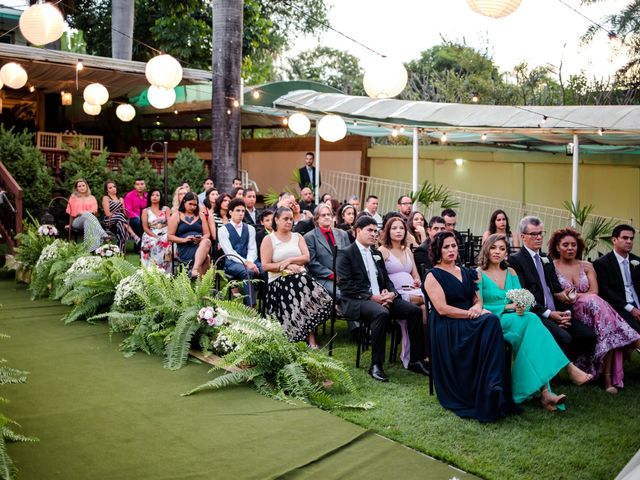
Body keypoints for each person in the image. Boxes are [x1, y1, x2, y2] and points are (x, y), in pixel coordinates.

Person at [478, 234, 592, 410]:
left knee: (531, 328)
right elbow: (480, 305)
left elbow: (521, 298)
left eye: (502, 249)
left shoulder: (511, 272)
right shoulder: (479, 274)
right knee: (533, 322)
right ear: (486, 249)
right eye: (494, 248)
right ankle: (568, 369)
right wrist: (507, 307)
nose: (497, 252)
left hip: (519, 318)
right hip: (496, 321)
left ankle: (547, 394)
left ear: (506, 253)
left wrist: (522, 307)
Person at [424, 231, 519, 422]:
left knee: (490, 320)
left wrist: (476, 307)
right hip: (449, 325)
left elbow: (477, 299)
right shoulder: (432, 275)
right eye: (446, 247)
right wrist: (470, 313)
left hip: (470, 319)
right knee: (490, 321)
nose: (451, 250)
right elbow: (442, 309)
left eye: (453, 246)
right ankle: (491, 385)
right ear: (437, 251)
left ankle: (492, 385)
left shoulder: (465, 271)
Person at [337, 216, 429, 382]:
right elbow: (346, 285)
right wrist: (373, 296)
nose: (374, 234)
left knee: (415, 312)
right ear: (358, 231)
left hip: (382, 297)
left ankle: (416, 360)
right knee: (381, 314)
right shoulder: (346, 253)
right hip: (358, 300)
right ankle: (376, 365)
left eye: (375, 231)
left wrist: (392, 293)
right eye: (369, 231)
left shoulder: (376, 253)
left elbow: (387, 280)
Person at [549, 228, 640, 393]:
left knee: (601, 317)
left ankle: (607, 377)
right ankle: (626, 340)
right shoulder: (551, 267)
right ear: (557, 247)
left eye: (574, 245)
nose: (570, 248)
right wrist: (562, 296)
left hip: (593, 311)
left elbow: (594, 291)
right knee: (605, 320)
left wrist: (576, 296)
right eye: (565, 245)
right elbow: (551, 293)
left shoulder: (587, 266)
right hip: (570, 312)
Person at [508, 216, 597, 361]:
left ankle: (559, 366)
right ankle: (556, 370)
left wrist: (565, 309)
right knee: (565, 338)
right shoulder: (516, 260)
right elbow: (523, 295)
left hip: (557, 311)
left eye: (541, 233)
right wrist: (550, 314)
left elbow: (556, 289)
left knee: (588, 336)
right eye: (534, 234)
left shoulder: (545, 258)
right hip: (537, 313)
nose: (538, 237)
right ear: (523, 237)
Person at [260, 207, 332, 347]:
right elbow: (265, 266)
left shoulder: (297, 237)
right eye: (285, 219)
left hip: (300, 278)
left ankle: (305, 333)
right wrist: (284, 267)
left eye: (291, 219)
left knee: (301, 283)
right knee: (298, 287)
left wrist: (289, 261)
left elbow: (306, 257)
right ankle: (308, 337)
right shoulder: (269, 239)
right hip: (278, 281)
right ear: (276, 219)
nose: (289, 222)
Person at [378, 216, 426, 368]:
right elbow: (381, 277)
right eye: (394, 228)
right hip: (396, 293)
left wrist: (417, 280)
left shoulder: (407, 251)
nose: (398, 231)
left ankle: (422, 354)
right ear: (388, 231)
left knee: (425, 310)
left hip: (413, 289)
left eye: (401, 228)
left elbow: (415, 274)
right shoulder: (383, 251)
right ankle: (418, 355)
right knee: (427, 302)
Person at [304, 205, 354, 329]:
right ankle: (357, 329)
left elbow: (350, 257)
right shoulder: (310, 237)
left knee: (359, 292)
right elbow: (312, 263)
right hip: (322, 277)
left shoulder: (342, 234)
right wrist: (332, 275)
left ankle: (362, 325)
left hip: (343, 276)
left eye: (329, 215)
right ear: (316, 219)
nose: (327, 217)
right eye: (323, 215)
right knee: (342, 294)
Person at [593, 224, 640, 335]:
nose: (629, 241)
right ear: (614, 240)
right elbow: (605, 291)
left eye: (631, 238)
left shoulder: (637, 261)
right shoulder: (602, 263)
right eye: (625, 238)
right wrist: (631, 309)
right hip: (620, 308)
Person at [218, 198, 262, 306]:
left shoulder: (250, 228)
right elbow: (230, 252)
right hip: (232, 263)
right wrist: (247, 264)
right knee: (248, 272)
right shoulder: (223, 230)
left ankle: (267, 302)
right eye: (238, 210)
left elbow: (252, 249)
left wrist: (250, 262)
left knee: (265, 269)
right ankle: (250, 306)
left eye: (243, 211)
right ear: (230, 212)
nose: (241, 213)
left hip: (250, 260)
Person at [167, 192, 211, 278]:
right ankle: (200, 286)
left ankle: (194, 270)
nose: (193, 207)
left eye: (195, 205)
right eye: (190, 204)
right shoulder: (176, 215)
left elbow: (207, 234)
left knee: (206, 241)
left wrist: (200, 239)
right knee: (206, 258)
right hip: (185, 248)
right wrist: (184, 239)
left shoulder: (200, 215)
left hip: (199, 245)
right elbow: (170, 236)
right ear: (184, 201)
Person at [66, 178, 109, 252]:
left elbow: (94, 213)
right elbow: (71, 214)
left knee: (87, 220)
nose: (82, 187)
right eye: (79, 186)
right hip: (77, 221)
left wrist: (85, 213)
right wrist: (70, 225)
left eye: (83, 185)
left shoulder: (92, 198)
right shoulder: (73, 197)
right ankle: (103, 234)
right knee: (87, 214)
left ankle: (90, 250)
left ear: (86, 186)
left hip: (89, 220)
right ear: (76, 188)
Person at [140, 188, 171, 273]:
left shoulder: (166, 209)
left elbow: (170, 224)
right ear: (149, 197)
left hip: (165, 232)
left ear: (161, 197)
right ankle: (151, 271)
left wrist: (166, 235)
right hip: (150, 234)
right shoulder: (146, 211)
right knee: (152, 243)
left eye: (157, 195)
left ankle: (165, 271)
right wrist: (156, 236)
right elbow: (145, 228)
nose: (155, 197)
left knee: (165, 241)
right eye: (153, 195)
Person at [102, 180, 136, 252]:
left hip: (119, 220)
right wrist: (118, 214)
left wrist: (132, 213)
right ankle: (132, 234)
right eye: (110, 188)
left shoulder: (121, 199)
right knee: (120, 215)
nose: (113, 188)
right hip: (109, 220)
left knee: (120, 224)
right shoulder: (106, 198)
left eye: (114, 187)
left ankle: (120, 251)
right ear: (107, 190)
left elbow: (124, 213)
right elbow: (107, 214)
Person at [124, 178, 147, 253]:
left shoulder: (147, 196)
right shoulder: (129, 196)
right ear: (134, 186)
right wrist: (139, 217)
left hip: (145, 218)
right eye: (137, 184)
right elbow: (128, 211)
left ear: (145, 185)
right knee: (138, 222)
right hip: (132, 219)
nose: (140, 186)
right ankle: (141, 246)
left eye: (142, 184)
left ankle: (140, 246)